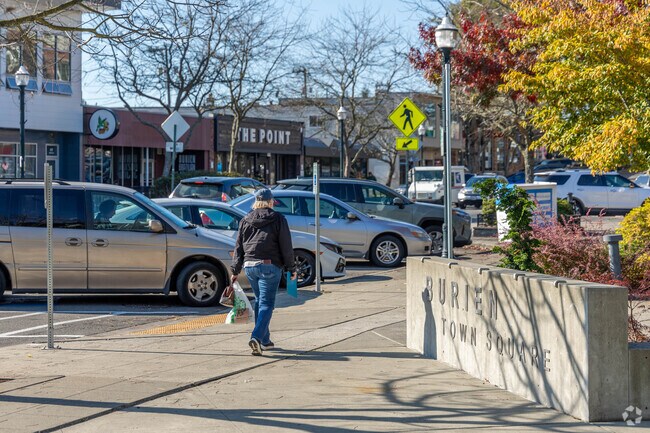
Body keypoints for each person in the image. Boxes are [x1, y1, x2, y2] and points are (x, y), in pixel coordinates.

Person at [231, 188, 297, 356]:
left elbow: (238, 246)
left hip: (250, 266)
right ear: (271, 201)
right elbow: (286, 246)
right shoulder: (278, 218)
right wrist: (291, 268)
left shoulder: (245, 219)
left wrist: (235, 270)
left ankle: (265, 341)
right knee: (267, 304)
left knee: (260, 301)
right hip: (269, 266)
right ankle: (256, 337)